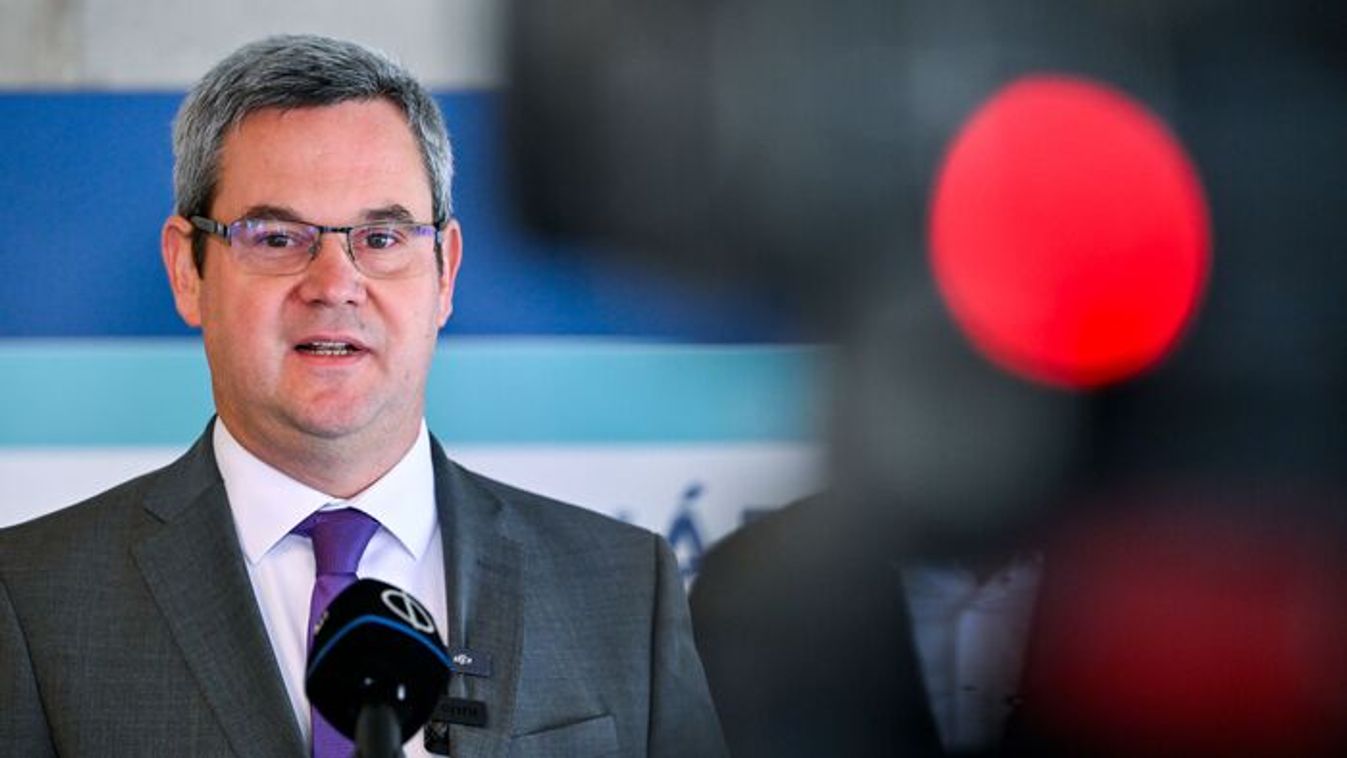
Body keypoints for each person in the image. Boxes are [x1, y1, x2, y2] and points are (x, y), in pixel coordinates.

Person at [0, 34, 726, 758]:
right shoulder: (32, 601)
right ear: (187, 271)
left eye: (381, 238)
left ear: (444, 273)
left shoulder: (624, 590)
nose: (334, 285)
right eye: (276, 238)